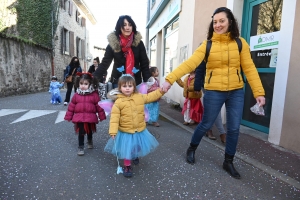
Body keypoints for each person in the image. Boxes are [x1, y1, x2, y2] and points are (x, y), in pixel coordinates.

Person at [161, 7, 265, 179]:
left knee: (233, 128)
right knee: (206, 123)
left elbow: (250, 69)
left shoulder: (241, 43)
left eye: (221, 21)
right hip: (214, 91)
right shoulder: (207, 44)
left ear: (230, 21)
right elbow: (189, 64)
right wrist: (170, 79)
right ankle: (192, 148)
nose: (218, 25)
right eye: (215, 22)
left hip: (236, 91)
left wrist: (258, 92)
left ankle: (228, 161)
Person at [104, 74, 164, 178]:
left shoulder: (139, 97)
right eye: (124, 86)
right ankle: (127, 165)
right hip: (125, 131)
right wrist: (113, 131)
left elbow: (151, 96)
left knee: (137, 145)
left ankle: (135, 155)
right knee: (127, 149)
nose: (127, 88)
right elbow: (114, 119)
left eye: (130, 86)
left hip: (139, 129)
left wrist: (162, 91)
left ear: (134, 87)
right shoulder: (118, 102)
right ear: (120, 87)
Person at [93, 15, 151, 89]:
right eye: (124, 25)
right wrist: (92, 78)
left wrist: (148, 82)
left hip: (135, 83)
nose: (127, 28)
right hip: (118, 83)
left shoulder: (139, 43)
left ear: (133, 27)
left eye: (130, 25)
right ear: (119, 27)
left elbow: (144, 64)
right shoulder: (113, 43)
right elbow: (105, 63)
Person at [64, 72, 106, 156]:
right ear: (78, 83)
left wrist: (101, 116)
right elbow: (71, 106)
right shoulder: (76, 95)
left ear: (90, 84)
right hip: (79, 117)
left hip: (90, 117)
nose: (83, 86)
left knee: (89, 131)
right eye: (81, 83)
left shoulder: (94, 95)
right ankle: (81, 146)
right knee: (81, 132)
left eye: (86, 84)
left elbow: (99, 106)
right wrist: (69, 116)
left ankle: (90, 140)